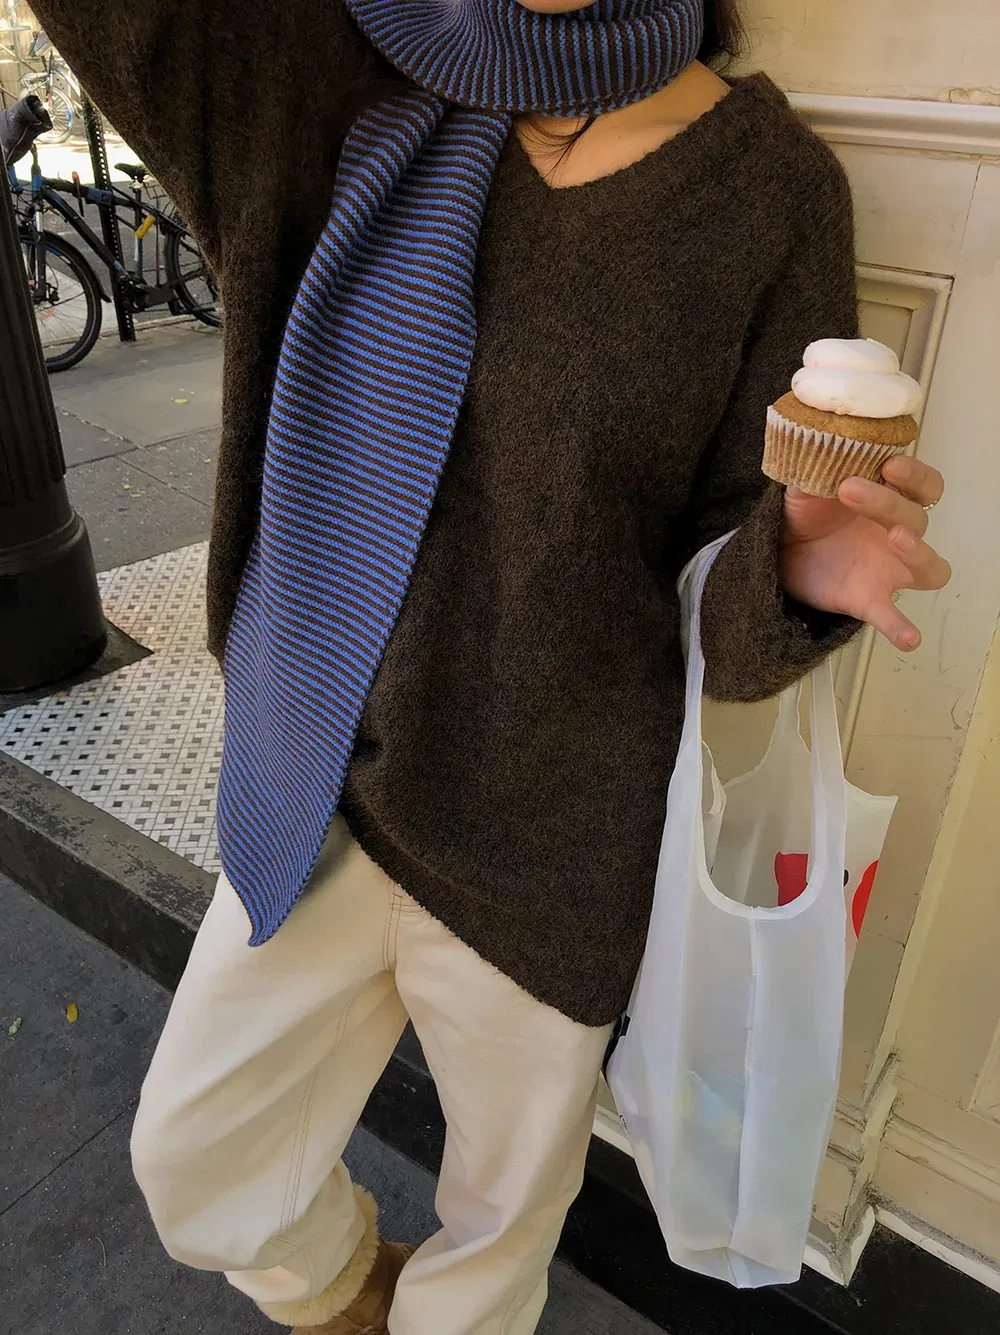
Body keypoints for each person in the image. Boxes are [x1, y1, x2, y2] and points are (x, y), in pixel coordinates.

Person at [33, 2, 950, 1333]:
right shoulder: (338, 83)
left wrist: (793, 567)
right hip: (326, 783)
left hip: (551, 835)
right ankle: (349, 1293)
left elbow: (722, 582)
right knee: (197, 1165)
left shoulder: (769, 191)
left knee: (495, 1242)